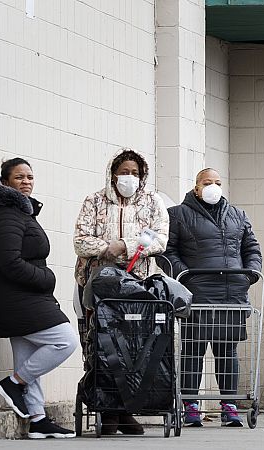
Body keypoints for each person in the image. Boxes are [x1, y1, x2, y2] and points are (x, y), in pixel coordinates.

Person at [73, 148, 169, 435]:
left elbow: (161, 239)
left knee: (131, 349)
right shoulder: (94, 200)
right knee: (99, 346)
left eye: (135, 173)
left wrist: (126, 246)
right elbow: (80, 240)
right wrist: (106, 248)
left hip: (135, 285)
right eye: (124, 172)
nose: (130, 178)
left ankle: (124, 410)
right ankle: (108, 408)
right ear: (113, 174)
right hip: (97, 284)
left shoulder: (153, 202)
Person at [0, 159, 78, 439]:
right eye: (18, 177)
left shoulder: (20, 213)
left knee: (27, 355)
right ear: (5, 183)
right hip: (15, 298)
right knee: (65, 340)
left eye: (29, 177)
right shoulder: (6, 215)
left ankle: (37, 419)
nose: (26, 182)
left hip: (23, 296)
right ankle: (14, 383)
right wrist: (47, 279)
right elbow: (10, 262)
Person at [164, 168, 262, 427]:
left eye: (218, 182)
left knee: (227, 352)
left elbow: (251, 247)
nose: (213, 187)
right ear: (196, 187)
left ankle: (229, 406)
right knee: (193, 352)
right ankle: (190, 406)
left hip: (232, 295)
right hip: (197, 294)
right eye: (208, 182)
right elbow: (168, 252)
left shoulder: (237, 215)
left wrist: (249, 275)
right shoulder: (178, 215)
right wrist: (185, 276)